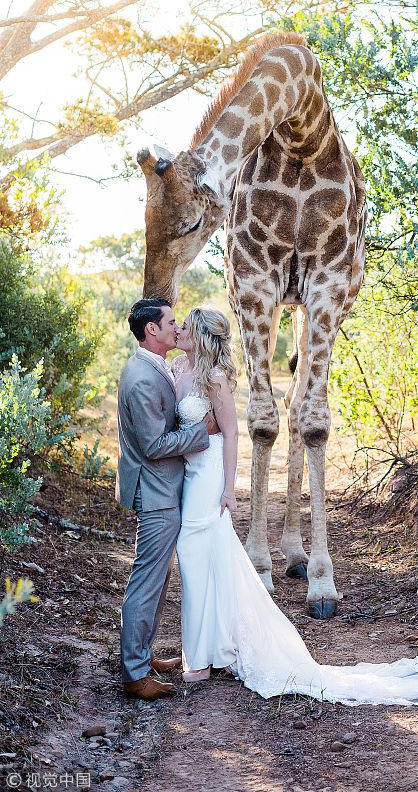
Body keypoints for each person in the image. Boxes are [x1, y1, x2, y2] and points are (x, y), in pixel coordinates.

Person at [173, 306, 418, 704]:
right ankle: (212, 648)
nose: (179, 329)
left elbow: (231, 434)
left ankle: (200, 658)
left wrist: (228, 488)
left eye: (184, 326)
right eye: (176, 325)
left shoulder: (216, 379)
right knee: (206, 561)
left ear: (200, 335)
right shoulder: (181, 368)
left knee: (200, 557)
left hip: (208, 477)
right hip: (190, 475)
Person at [116, 297, 219, 701]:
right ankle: (135, 674)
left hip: (163, 486)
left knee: (157, 580)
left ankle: (143, 656)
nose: (177, 328)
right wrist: (202, 431)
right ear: (152, 330)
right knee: (146, 581)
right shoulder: (142, 377)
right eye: (172, 322)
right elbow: (154, 444)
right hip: (156, 490)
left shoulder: (156, 366)